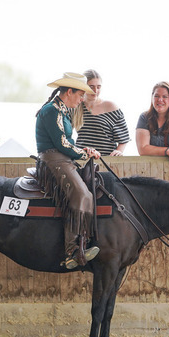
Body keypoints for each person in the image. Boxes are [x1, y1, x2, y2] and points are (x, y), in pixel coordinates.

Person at [35, 72, 101, 269]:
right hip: (54, 160)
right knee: (81, 194)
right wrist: (84, 154)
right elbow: (62, 144)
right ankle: (72, 250)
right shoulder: (52, 111)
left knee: (87, 194)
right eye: (80, 95)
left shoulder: (60, 111)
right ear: (69, 92)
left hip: (62, 159)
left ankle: (82, 243)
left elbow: (67, 142)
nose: (81, 99)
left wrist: (83, 150)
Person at [73, 69, 130, 156]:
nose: (95, 91)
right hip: (82, 159)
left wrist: (118, 152)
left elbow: (124, 138)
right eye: (91, 87)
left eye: (98, 87)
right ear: (83, 87)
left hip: (106, 160)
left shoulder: (111, 107)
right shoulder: (75, 106)